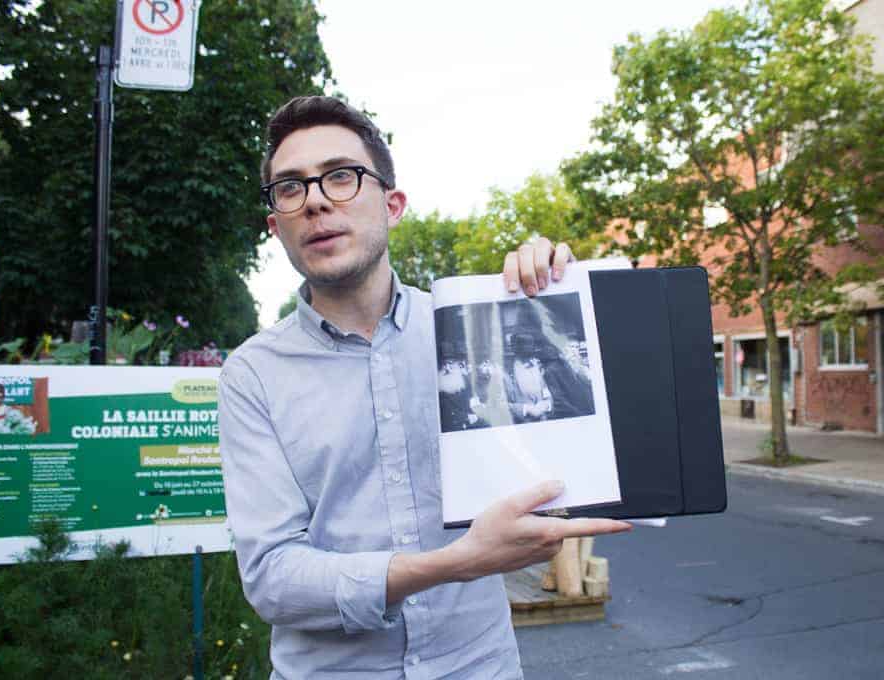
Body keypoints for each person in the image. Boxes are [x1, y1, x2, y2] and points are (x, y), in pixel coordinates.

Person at [217, 96, 630, 679]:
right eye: (290, 188)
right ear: (275, 225)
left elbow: (568, 452)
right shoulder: (252, 375)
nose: (314, 200)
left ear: (393, 204)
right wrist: (455, 563)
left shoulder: (479, 333)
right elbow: (273, 579)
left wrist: (560, 295)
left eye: (340, 176)